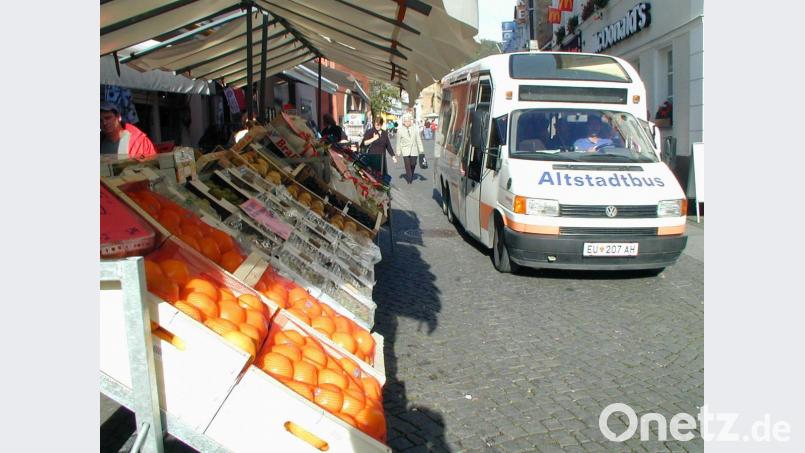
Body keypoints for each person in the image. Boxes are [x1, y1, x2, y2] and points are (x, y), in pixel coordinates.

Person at [396, 114, 424, 184]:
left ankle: (411, 173)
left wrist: (421, 149)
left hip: (414, 150)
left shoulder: (414, 129)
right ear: (403, 122)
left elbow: (418, 139)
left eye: (408, 121)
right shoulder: (400, 130)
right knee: (407, 165)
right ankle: (409, 179)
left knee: (413, 164)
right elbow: (398, 142)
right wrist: (398, 151)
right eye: (405, 121)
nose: (407, 122)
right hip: (405, 150)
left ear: (410, 122)